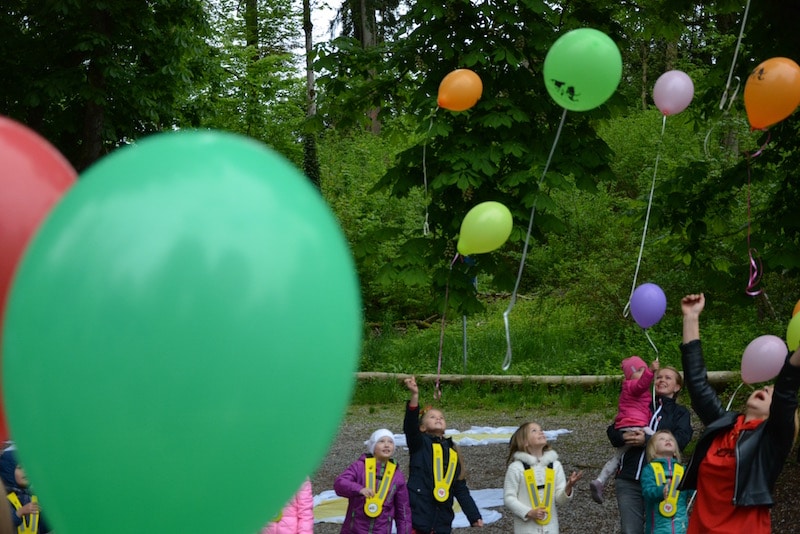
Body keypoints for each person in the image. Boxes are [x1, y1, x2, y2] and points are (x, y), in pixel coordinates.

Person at [679, 292, 800, 533]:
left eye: (772, 391)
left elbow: (786, 390)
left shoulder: (772, 441)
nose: (766, 387)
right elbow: (697, 384)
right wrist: (691, 318)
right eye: (767, 385)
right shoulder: (724, 424)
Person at [606, 365, 693, 534]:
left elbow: (681, 440)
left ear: (677, 387)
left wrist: (646, 440)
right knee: (631, 530)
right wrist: (623, 437)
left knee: (661, 528)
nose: (662, 380)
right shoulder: (640, 403)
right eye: (659, 377)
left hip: (662, 482)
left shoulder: (680, 413)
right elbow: (612, 430)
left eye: (668, 378)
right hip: (630, 478)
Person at [403, 376, 483, 533]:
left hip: (442, 522)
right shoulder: (419, 444)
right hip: (418, 518)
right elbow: (409, 427)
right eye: (432, 417)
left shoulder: (453, 451)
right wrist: (414, 396)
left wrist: (474, 515)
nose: (438, 418)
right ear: (422, 427)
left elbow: (460, 488)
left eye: (441, 417)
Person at [590, 355, 659, 504]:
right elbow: (641, 384)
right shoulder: (631, 385)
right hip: (636, 424)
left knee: (617, 458)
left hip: (628, 424)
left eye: (644, 369)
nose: (643, 372)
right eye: (639, 370)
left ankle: (600, 480)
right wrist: (651, 371)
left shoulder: (632, 390)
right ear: (630, 375)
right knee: (659, 438)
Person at [503, 422, 582, 534]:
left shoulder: (555, 466)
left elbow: (560, 500)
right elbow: (509, 498)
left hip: (551, 528)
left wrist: (569, 486)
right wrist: (528, 512)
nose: (540, 432)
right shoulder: (516, 468)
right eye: (534, 431)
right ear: (525, 442)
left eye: (541, 429)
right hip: (526, 530)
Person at [334, 428, 412, 533]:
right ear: (373, 446)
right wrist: (359, 489)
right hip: (355, 529)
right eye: (381, 441)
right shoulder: (360, 466)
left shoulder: (397, 476)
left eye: (390, 442)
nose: (386, 445)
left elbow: (403, 512)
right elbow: (340, 484)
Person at [640, 430, 692, 534]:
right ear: (653, 450)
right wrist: (660, 491)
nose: (667, 440)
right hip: (657, 528)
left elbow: (692, 491)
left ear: (675, 451)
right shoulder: (649, 469)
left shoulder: (683, 470)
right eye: (662, 439)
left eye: (671, 439)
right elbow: (647, 492)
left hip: (680, 527)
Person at [0, 449, 50, 534]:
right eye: (20, 467)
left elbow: (40, 528)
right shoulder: (3, 498)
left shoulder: (32, 496)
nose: (26, 471)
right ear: (9, 471)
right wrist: (19, 513)